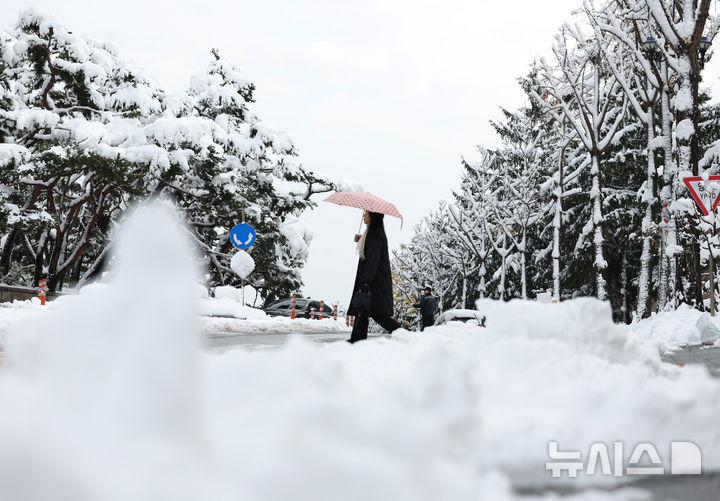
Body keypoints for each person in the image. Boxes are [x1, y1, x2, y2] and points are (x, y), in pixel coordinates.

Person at [347, 210, 401, 343]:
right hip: (375, 281)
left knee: (379, 315)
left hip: (374, 282)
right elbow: (371, 250)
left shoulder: (374, 234)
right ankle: (356, 340)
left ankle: (409, 336)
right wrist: (361, 240)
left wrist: (366, 282)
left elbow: (372, 259)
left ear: (372, 216)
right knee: (363, 311)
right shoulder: (373, 233)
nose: (363, 215)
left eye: (366, 213)